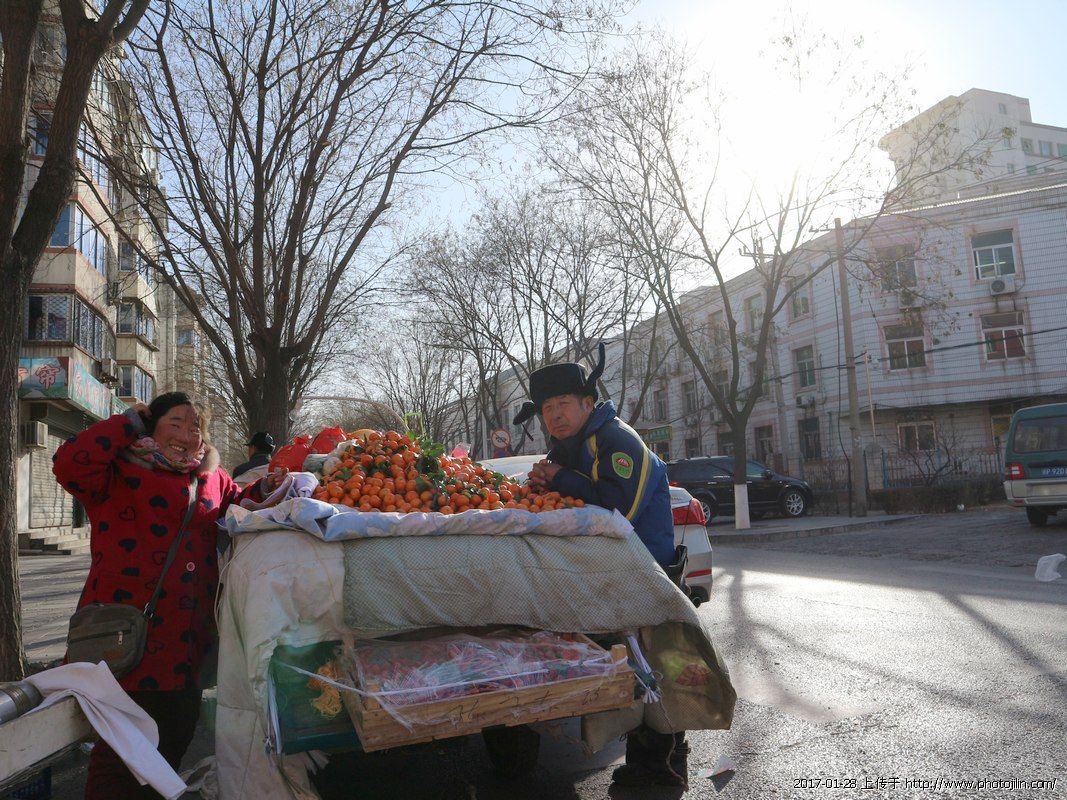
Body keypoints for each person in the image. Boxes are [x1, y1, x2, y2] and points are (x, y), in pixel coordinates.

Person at [53, 392, 286, 800]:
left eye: (195, 427)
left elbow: (239, 505)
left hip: (187, 643)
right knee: (120, 756)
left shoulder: (210, 477)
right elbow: (69, 463)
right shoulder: (119, 468)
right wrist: (126, 422)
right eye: (174, 423)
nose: (186, 434)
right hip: (127, 638)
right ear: (151, 426)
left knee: (171, 744)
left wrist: (268, 486)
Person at [513, 344, 689, 788]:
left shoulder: (617, 440)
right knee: (628, 672)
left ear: (588, 402)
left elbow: (618, 508)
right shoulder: (568, 446)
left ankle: (662, 770)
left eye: (563, 404)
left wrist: (559, 478)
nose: (554, 415)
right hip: (608, 575)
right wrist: (543, 480)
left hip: (646, 575)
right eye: (546, 408)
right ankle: (647, 763)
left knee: (654, 673)